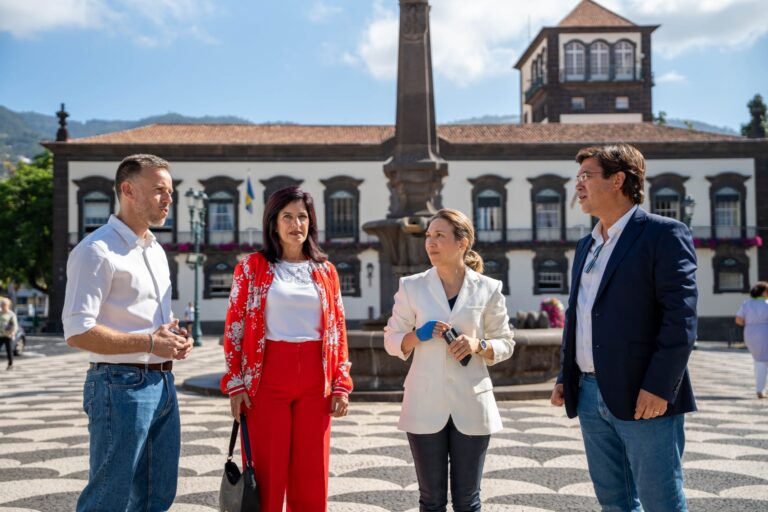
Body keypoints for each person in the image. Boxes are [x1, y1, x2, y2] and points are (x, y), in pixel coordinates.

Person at [551, 144, 698, 511]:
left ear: (618, 180)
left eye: (587, 175)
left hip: (643, 394)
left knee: (660, 500)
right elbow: (579, 314)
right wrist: (564, 374)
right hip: (587, 392)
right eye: (577, 177)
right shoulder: (587, 245)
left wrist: (659, 387)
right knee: (614, 502)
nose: (578, 185)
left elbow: (680, 318)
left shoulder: (663, 234)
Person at [63, 154, 193, 512]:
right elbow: (77, 331)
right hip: (118, 385)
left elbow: (149, 323)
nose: (169, 199)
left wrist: (173, 338)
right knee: (108, 497)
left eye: (170, 191)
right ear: (128, 190)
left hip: (163, 383)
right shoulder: (96, 250)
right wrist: (151, 342)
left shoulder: (155, 251)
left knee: (157, 495)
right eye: (159, 191)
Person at [221, 186, 352, 512]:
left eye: (303, 217)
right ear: (274, 223)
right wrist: (235, 382)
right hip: (265, 379)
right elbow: (234, 327)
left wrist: (341, 382)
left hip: (315, 379)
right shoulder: (251, 267)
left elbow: (337, 329)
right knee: (266, 473)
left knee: (311, 474)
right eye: (288, 217)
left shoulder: (326, 272)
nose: (297, 224)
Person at [384, 208, 515, 512]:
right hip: (424, 403)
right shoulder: (411, 286)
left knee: (468, 501)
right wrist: (418, 334)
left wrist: (478, 344)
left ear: (462, 242)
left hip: (472, 401)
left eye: (440, 236)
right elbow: (391, 339)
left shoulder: (489, 288)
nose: (430, 242)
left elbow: (506, 343)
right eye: (429, 236)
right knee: (431, 501)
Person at [735, 281, 768, 398]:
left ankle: (761, 388)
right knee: (763, 360)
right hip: (765, 331)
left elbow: (738, 320)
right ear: (764, 292)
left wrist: (751, 322)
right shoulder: (766, 303)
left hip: (750, 332)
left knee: (758, 360)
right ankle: (761, 389)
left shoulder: (747, 303)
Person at [0, 297, 18, 370]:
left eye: (3, 305)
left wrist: (13, 332)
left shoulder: (11, 314)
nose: (2, 306)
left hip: (8, 335)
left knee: (9, 350)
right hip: (0, 335)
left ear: (7, 305)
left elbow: (15, 325)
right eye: (1, 305)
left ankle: (10, 364)